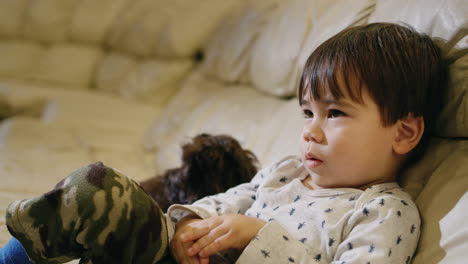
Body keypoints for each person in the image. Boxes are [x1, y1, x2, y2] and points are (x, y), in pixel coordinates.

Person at [1, 22, 448, 264]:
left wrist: (262, 237)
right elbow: (231, 199)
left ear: (404, 132)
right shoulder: (288, 171)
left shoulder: (383, 211)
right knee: (93, 188)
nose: (311, 130)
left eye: (335, 113)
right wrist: (193, 224)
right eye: (307, 112)